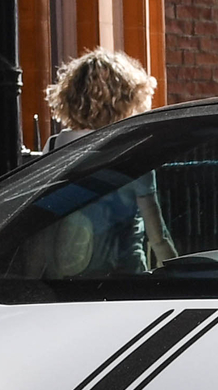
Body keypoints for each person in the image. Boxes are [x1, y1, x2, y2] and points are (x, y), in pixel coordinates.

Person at [36, 48, 173, 274]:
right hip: (122, 283)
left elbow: (40, 227)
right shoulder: (133, 154)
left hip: (64, 283)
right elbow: (158, 237)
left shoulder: (54, 148)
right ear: (128, 98)